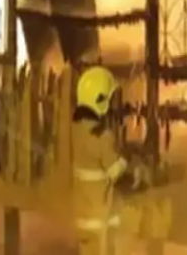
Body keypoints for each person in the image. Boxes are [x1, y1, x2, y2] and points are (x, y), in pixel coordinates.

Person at [72, 65, 149, 255]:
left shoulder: (76, 130)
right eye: (110, 99)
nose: (113, 105)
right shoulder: (103, 136)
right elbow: (117, 173)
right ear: (100, 101)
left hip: (83, 218)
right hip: (101, 224)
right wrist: (132, 161)